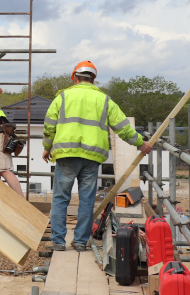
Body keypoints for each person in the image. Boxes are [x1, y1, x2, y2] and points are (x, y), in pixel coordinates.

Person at [42, 61, 152, 252]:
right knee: (86, 200)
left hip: (66, 155)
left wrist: (47, 147)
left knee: (60, 199)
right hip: (92, 157)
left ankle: (58, 242)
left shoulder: (63, 97)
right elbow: (123, 127)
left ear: (74, 77)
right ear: (94, 79)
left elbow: (49, 125)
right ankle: (80, 242)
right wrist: (141, 143)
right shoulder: (104, 100)